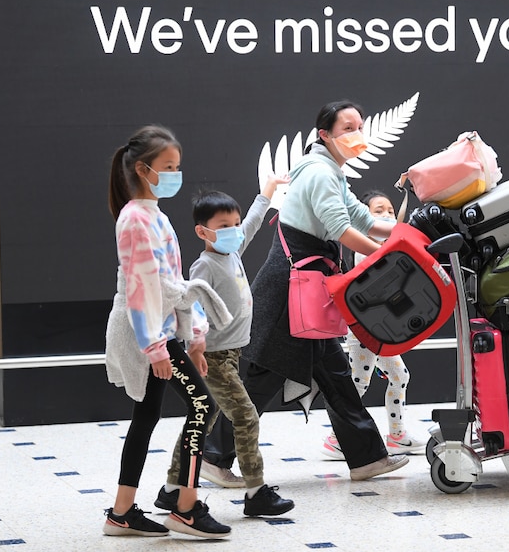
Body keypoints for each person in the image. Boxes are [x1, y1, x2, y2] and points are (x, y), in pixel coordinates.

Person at [202, 100, 409, 482]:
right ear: (324, 135)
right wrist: (389, 256)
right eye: (348, 128)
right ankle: (215, 457)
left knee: (334, 375)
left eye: (359, 126)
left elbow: (363, 218)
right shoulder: (320, 173)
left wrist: (404, 237)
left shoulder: (330, 170)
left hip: (304, 289)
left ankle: (366, 459)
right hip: (290, 290)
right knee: (264, 375)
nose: (357, 134)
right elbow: (343, 230)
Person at [102, 125, 231, 539]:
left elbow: (171, 283)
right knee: (202, 408)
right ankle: (185, 508)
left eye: (177, 166)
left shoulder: (153, 214)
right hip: (147, 332)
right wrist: (157, 348)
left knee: (147, 415)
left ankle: (121, 513)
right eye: (168, 166)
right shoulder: (135, 218)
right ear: (143, 169)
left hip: (160, 329)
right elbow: (142, 288)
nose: (176, 173)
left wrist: (193, 336)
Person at [153, 177, 295, 518]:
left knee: (202, 418)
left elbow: (252, 224)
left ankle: (172, 489)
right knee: (246, 418)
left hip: (230, 355)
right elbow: (191, 305)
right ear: (203, 232)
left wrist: (266, 193)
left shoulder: (233, 252)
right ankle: (256, 491)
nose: (234, 231)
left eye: (234, 223)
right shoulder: (204, 265)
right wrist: (196, 347)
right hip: (213, 357)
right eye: (224, 226)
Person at [321, 190, 424, 460]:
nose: (387, 215)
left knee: (399, 376)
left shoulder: (384, 241)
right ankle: (337, 440)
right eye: (379, 211)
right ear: (363, 217)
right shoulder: (364, 245)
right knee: (358, 384)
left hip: (379, 328)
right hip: (363, 329)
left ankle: (397, 436)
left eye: (389, 210)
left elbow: (398, 227)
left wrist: (405, 194)